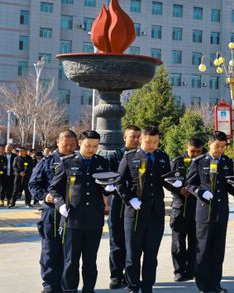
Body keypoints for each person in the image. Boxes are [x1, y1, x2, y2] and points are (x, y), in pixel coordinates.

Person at [117, 126, 180, 293]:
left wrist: (175, 184)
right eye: (148, 142)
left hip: (155, 213)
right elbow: (119, 182)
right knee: (133, 254)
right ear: (140, 140)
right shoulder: (130, 157)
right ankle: (133, 287)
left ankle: (147, 287)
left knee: (151, 255)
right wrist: (130, 198)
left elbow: (166, 179)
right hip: (135, 212)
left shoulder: (162, 157)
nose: (152, 145)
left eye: (155, 142)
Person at [49, 130, 112, 292]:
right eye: (88, 145)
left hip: (94, 220)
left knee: (90, 261)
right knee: (71, 261)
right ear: (80, 143)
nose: (91, 149)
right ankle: (70, 290)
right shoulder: (67, 162)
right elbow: (54, 189)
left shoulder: (102, 162)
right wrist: (61, 204)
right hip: (72, 219)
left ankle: (88, 289)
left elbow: (105, 188)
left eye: (95, 146)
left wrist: (110, 188)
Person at [186, 131, 234, 293]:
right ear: (209, 144)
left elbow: (229, 183)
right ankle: (203, 285)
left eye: (223, 147)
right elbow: (190, 184)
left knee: (218, 249)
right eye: (217, 146)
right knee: (204, 249)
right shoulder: (199, 161)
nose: (220, 150)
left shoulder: (227, 162)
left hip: (221, 211)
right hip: (204, 211)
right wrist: (201, 192)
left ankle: (216, 283)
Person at [28, 130, 78, 293]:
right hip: (52, 212)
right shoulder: (47, 162)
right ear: (58, 142)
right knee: (50, 250)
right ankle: (50, 285)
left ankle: (67, 285)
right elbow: (33, 184)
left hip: (73, 213)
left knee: (70, 252)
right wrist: (45, 196)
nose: (69, 148)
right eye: (66, 144)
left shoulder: (79, 161)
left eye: (73, 145)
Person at [106, 125, 140, 289]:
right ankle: (116, 275)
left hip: (135, 203)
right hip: (118, 202)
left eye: (138, 136)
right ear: (124, 137)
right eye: (132, 136)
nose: (136, 139)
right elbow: (110, 178)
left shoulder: (143, 155)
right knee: (116, 241)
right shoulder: (115, 155)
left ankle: (131, 276)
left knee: (132, 243)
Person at [168, 137, 203, 282]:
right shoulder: (177, 161)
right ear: (186, 147)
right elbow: (167, 181)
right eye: (192, 151)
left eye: (198, 151)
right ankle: (179, 271)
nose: (195, 154)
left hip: (196, 206)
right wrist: (178, 191)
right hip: (180, 206)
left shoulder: (203, 161)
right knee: (178, 242)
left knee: (195, 242)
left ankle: (191, 270)